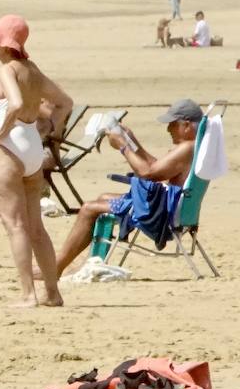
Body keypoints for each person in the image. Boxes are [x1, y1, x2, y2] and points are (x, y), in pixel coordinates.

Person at [53, 99, 202, 278]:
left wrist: (123, 147)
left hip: (161, 214)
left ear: (186, 125)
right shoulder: (196, 146)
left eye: (172, 124)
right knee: (102, 198)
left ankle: (56, 267)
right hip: (174, 209)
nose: (168, 129)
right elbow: (156, 167)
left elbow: (147, 173)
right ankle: (94, 262)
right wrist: (132, 142)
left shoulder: (187, 148)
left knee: (88, 209)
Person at [0, 15, 72, 308]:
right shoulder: (33, 70)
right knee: (36, 227)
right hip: (32, 145)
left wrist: (2, 129)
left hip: (7, 147)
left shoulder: (7, 69)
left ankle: (28, 295)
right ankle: (53, 293)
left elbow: (16, 103)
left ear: (5, 43)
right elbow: (65, 103)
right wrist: (50, 130)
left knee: (15, 225)